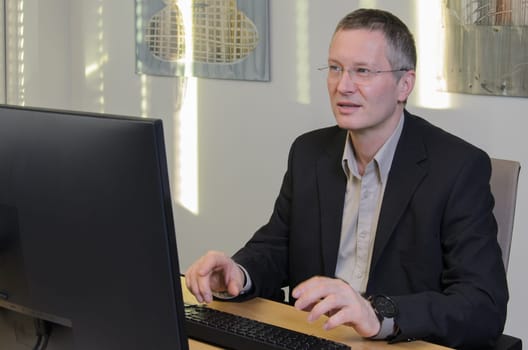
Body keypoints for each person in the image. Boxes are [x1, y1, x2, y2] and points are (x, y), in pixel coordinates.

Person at [185, 8, 508, 349]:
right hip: (315, 338)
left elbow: (482, 305)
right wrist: (239, 274)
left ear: (404, 84)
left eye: (363, 71)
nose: (344, 86)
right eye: (336, 68)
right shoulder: (308, 153)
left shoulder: (457, 167)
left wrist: (379, 314)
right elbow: (278, 246)